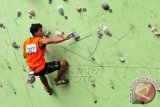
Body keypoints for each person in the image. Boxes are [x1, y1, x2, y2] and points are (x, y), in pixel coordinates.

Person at [23, 23, 71, 95]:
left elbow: (24, 56)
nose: (42, 32)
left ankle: (48, 89)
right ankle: (57, 80)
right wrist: (64, 38)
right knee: (63, 63)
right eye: (40, 30)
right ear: (36, 32)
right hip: (42, 68)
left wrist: (36, 53)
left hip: (33, 69)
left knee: (40, 73)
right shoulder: (40, 40)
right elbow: (50, 41)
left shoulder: (26, 42)